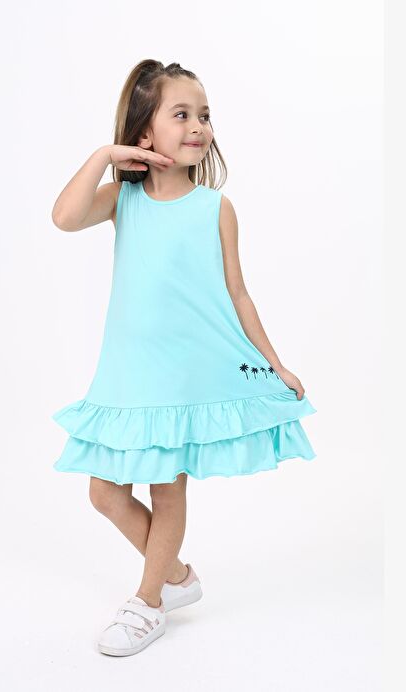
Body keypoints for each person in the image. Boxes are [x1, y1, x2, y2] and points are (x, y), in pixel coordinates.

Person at [50, 59, 317, 657]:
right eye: (181, 114)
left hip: (182, 373)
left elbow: (238, 293)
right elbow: (63, 218)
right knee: (104, 493)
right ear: (145, 131)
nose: (198, 126)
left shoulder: (214, 208)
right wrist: (105, 155)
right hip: (126, 374)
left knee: (166, 488)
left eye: (204, 115)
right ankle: (175, 576)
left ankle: (147, 603)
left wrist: (273, 363)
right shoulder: (123, 200)